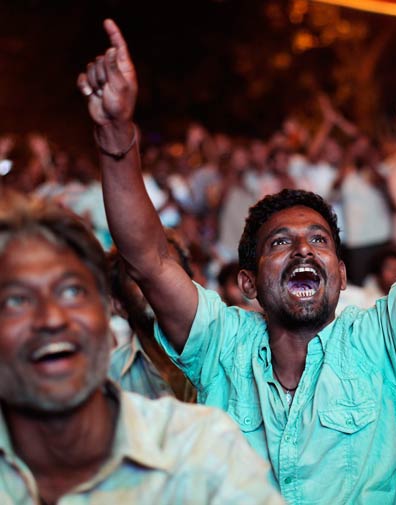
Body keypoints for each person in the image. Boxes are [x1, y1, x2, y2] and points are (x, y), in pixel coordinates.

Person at [77, 1, 396, 501]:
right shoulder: (220, 345)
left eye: (318, 240)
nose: (303, 248)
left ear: (341, 274)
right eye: (281, 242)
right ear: (249, 282)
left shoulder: (379, 344)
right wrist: (115, 134)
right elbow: (148, 258)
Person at [0, 192, 281, 504]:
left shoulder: (201, 453)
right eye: (16, 301)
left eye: (72, 291)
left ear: (103, 309)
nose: (51, 318)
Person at [107, 229, 198, 401]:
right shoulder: (109, 379)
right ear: (119, 305)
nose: (157, 283)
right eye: (137, 276)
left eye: (172, 271)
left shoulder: (230, 351)